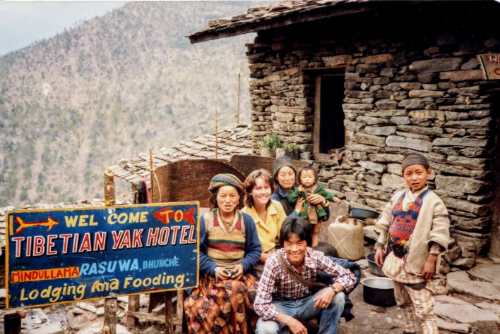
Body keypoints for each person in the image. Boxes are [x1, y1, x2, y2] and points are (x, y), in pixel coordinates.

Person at [374, 153, 450, 334]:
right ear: (403, 176)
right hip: (397, 260)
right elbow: (385, 222)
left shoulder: (434, 202)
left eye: (419, 172)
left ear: (428, 173)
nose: (414, 178)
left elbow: (439, 232)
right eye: (409, 174)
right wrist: (379, 246)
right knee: (403, 302)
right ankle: (409, 331)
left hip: (418, 263)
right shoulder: (398, 197)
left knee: (424, 309)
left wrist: (431, 260)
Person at [184, 173, 262, 334]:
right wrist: (213, 268)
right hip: (213, 277)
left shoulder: (246, 220)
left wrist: (243, 265)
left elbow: (255, 250)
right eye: (223, 196)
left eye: (232, 196)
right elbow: (194, 252)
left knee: (256, 296)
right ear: (215, 198)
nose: (228, 200)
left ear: (239, 198)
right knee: (233, 291)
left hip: (241, 274)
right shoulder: (205, 220)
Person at [254, 217, 356, 334]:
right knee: (265, 329)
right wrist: (290, 321)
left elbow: (349, 276)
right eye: (289, 244)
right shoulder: (273, 263)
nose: (294, 249)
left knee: (338, 297)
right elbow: (260, 304)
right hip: (281, 306)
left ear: (307, 243)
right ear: (283, 244)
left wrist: (332, 289)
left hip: (308, 303)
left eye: (299, 243)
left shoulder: (314, 256)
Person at [242, 169, 287, 277]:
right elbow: (248, 251)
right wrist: (276, 260)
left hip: (276, 253)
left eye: (266, 187)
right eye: (258, 188)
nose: (263, 192)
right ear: (249, 191)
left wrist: (286, 255)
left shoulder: (276, 206)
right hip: (256, 260)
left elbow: (286, 236)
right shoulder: (244, 215)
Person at [288, 165, 341, 247]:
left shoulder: (318, 189)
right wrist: (297, 192)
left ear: (314, 179)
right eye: (304, 177)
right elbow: (291, 199)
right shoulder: (298, 189)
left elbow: (326, 194)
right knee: (304, 232)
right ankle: (305, 249)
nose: (307, 179)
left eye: (310, 177)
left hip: (316, 215)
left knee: (316, 232)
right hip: (304, 216)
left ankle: (314, 248)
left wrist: (334, 197)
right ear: (299, 180)